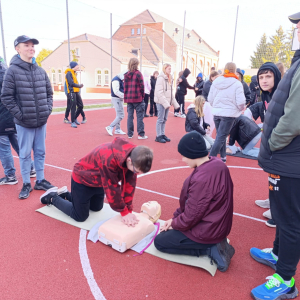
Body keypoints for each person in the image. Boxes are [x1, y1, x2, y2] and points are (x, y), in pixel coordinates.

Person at [249, 13, 300, 300]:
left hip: (290, 158)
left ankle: (285, 280)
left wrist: (273, 142)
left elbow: (294, 118)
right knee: (282, 214)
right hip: (288, 157)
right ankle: (278, 254)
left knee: (291, 220)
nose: (296, 27)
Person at [154, 131, 235, 272]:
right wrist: (173, 219)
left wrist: (174, 224)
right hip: (219, 224)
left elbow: (191, 216)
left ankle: (208, 248)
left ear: (192, 154)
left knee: (160, 242)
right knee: (172, 231)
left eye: (184, 156)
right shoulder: (216, 163)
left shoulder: (201, 179)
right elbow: (191, 204)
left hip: (208, 231)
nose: (183, 160)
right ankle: (213, 243)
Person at [40, 137, 153, 225]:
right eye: (136, 171)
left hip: (98, 181)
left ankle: (65, 194)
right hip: (82, 179)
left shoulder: (134, 157)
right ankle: (52, 197)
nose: (136, 174)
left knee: (96, 208)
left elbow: (129, 185)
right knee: (80, 216)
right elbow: (112, 188)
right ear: (129, 160)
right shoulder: (109, 159)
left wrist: (128, 210)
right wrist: (123, 213)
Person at [1, 35, 55, 199]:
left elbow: (49, 93)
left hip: (41, 121)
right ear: (18, 49)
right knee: (24, 154)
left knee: (40, 152)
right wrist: (20, 115)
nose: (31, 48)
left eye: (32, 46)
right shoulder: (12, 71)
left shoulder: (40, 71)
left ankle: (40, 180)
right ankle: (26, 183)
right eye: (27, 45)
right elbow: (6, 97)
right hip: (24, 123)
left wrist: (47, 110)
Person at [0, 57, 36, 185]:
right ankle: (31, 169)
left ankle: (10, 176)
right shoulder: (11, 74)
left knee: (4, 149)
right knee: (19, 145)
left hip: (2, 118)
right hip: (14, 117)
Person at [208, 62, 245, 162]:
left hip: (217, 112)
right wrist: (241, 109)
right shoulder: (237, 83)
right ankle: (211, 159)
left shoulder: (216, 81)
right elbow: (241, 102)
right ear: (235, 70)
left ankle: (223, 157)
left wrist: (216, 106)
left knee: (221, 135)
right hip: (229, 114)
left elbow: (210, 98)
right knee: (221, 136)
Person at [154, 64, 179, 143]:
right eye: (169, 68)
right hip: (161, 102)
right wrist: (165, 103)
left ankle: (162, 134)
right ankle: (158, 136)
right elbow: (159, 92)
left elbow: (170, 93)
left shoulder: (169, 78)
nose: (170, 70)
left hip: (167, 102)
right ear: (165, 69)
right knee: (160, 119)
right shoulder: (160, 78)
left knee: (164, 119)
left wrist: (175, 104)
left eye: (171, 68)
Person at [124, 58, 147, 139]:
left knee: (130, 116)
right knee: (139, 116)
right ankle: (141, 134)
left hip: (129, 99)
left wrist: (126, 96)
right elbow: (142, 86)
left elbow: (125, 87)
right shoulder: (138, 74)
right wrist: (142, 95)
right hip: (138, 98)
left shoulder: (126, 74)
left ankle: (130, 134)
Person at [105, 70, 127, 136]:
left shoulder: (119, 79)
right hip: (116, 98)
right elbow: (116, 91)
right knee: (121, 115)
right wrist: (125, 96)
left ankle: (117, 129)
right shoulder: (116, 80)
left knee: (119, 115)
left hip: (118, 98)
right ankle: (110, 127)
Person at [64, 61, 85, 128]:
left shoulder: (74, 73)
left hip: (76, 92)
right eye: (77, 66)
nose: (78, 67)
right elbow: (71, 83)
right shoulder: (69, 73)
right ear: (74, 66)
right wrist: (79, 86)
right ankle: (72, 122)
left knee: (81, 105)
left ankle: (75, 117)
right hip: (71, 92)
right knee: (73, 107)